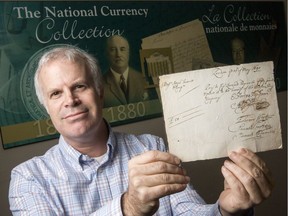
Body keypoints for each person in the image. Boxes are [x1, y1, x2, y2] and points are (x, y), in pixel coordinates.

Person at [9, 45, 273, 215]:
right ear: (47, 108)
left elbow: (186, 211)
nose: (70, 100)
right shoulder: (28, 179)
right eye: (56, 93)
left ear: (100, 92)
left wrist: (225, 209)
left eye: (79, 86)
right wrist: (129, 207)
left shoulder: (152, 147)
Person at [103, 35, 148, 107]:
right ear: (107, 54)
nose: (118, 54)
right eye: (113, 49)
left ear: (128, 53)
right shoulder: (100, 85)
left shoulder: (142, 79)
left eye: (122, 49)